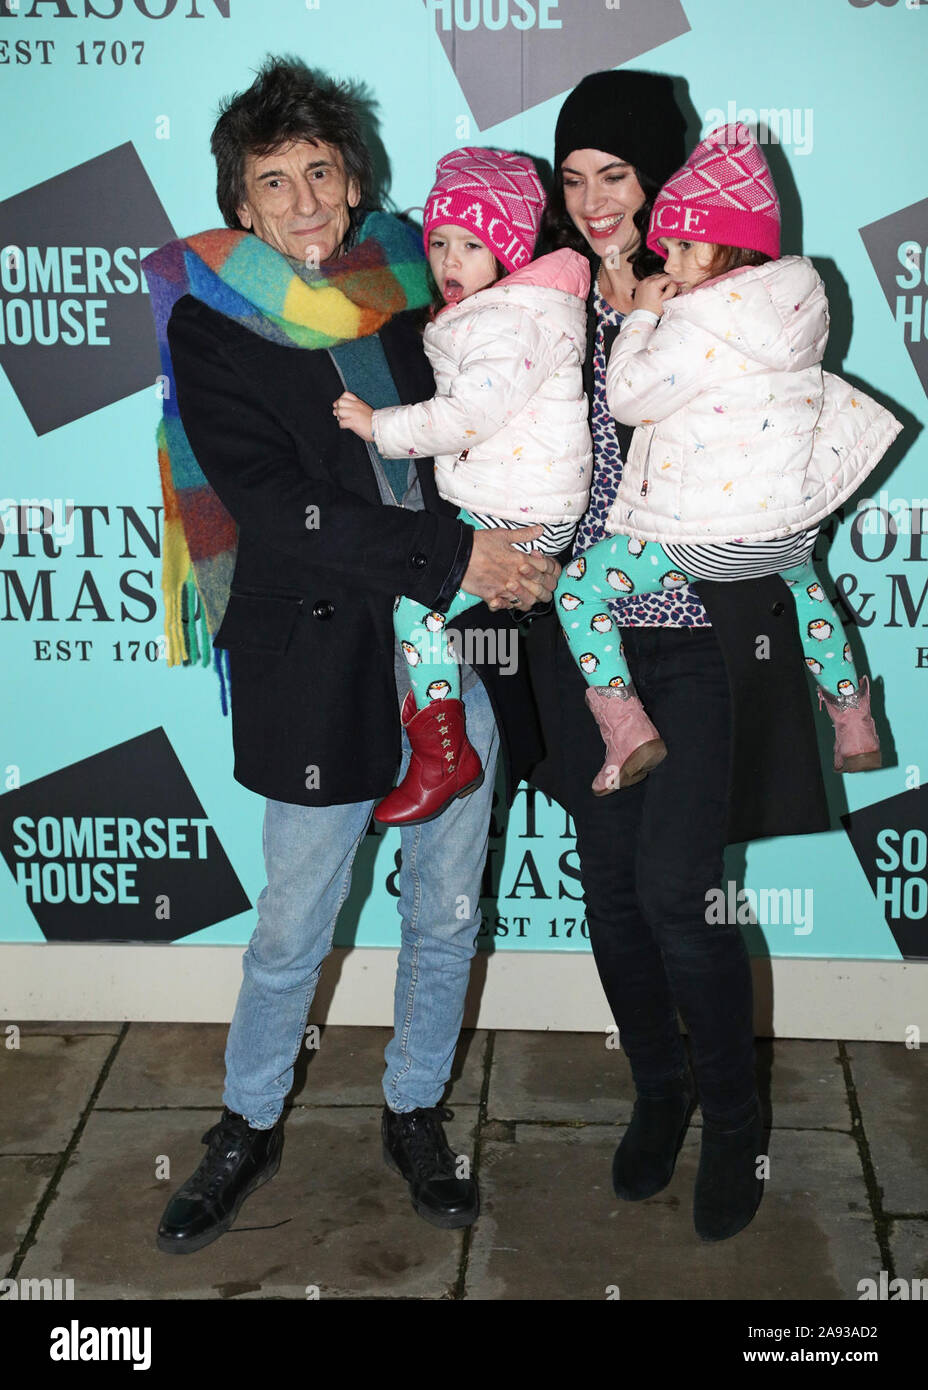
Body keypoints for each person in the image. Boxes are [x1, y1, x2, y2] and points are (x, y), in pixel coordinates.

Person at [142, 57, 559, 1254]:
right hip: (313, 657)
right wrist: (454, 558)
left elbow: (509, 416)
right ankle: (246, 1122)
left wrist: (516, 547)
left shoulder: (427, 293)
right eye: (274, 181)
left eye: (321, 170)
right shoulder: (207, 317)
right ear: (243, 202)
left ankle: (418, 1106)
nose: (306, 200)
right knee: (292, 921)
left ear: (353, 176)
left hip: (451, 654)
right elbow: (275, 509)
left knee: (444, 906)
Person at [525, 69, 834, 1243]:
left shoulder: (731, 296)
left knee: (676, 892)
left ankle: (733, 1115)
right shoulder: (543, 297)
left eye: (619, 175)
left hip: (698, 643)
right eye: (575, 177)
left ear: (664, 183)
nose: (597, 200)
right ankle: (658, 1091)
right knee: (609, 893)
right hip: (579, 646)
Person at [554, 123, 901, 793]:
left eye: (686, 246)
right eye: (668, 247)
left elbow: (627, 399)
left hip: (708, 546)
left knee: (579, 589)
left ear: (732, 247)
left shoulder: (696, 321)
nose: (673, 263)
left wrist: (641, 319)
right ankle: (854, 721)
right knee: (805, 592)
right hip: (785, 534)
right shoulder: (796, 303)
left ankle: (625, 728)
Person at [335, 146, 592, 825]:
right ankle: (444, 748)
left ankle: (443, 756)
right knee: (427, 613)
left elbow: (468, 414)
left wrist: (378, 427)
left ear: (509, 252)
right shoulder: (495, 311)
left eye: (474, 244)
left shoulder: (511, 320)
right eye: (441, 242)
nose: (451, 260)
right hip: (515, 499)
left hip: (516, 508)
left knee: (415, 610)